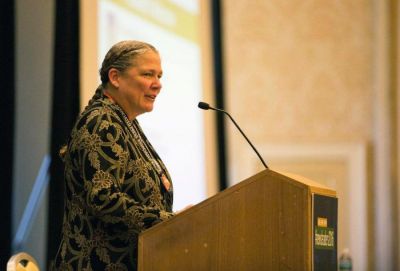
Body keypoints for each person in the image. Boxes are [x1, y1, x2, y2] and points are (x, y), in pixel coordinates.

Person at [50, 40, 174, 271]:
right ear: (115, 77)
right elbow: (103, 198)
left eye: (159, 76)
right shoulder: (101, 121)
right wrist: (170, 222)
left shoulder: (123, 121)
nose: (157, 85)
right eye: (148, 74)